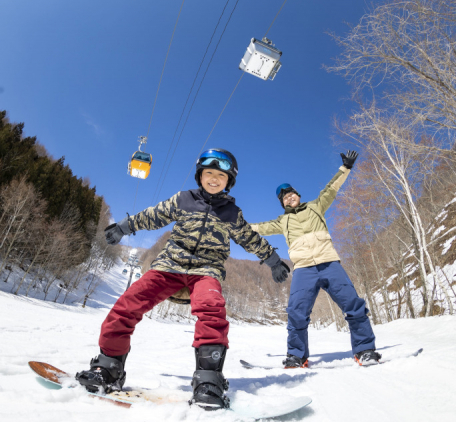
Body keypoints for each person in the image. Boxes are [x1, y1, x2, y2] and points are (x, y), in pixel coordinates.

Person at [75, 148, 290, 410]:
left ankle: (208, 379)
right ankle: (108, 367)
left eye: (220, 176)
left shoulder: (232, 213)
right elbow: (154, 215)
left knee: (212, 310)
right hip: (170, 265)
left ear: (229, 181)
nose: (213, 179)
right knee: (128, 303)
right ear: (200, 176)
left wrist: (273, 261)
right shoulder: (183, 199)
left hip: (206, 271)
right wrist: (124, 227)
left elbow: (250, 238)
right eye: (208, 173)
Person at [250, 150, 381, 368]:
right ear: (282, 204)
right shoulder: (281, 222)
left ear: (298, 195)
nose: (289, 197)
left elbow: (331, 189)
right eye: (285, 197)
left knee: (354, 306)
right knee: (296, 312)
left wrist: (345, 168)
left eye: (291, 193)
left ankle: (365, 350)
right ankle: (297, 355)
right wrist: (231, 224)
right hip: (303, 270)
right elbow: (256, 228)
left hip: (330, 263)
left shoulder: (315, 206)